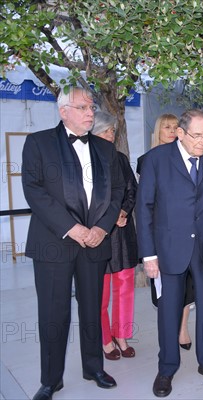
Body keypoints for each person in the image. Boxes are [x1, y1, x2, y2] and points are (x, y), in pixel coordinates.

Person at [22, 87, 124, 400]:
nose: (91, 112)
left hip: (95, 242)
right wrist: (73, 228)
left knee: (93, 309)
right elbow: (34, 191)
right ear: (63, 111)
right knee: (54, 313)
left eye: (91, 107)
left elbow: (117, 191)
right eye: (82, 107)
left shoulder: (106, 149)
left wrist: (102, 229)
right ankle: (51, 380)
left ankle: (93, 367)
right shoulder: (38, 143)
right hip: (54, 242)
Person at [137, 109, 203, 397]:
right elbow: (144, 209)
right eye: (197, 136)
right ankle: (166, 368)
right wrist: (149, 255)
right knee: (169, 309)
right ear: (180, 133)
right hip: (168, 248)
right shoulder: (156, 160)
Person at [137, 114, 195, 351]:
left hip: (188, 238)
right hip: (162, 238)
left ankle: (182, 328)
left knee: (188, 290)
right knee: (165, 293)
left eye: (176, 127)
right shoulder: (147, 160)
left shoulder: (192, 158)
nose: (172, 131)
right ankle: (168, 338)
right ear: (158, 131)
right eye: (167, 127)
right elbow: (144, 205)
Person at [92, 111, 139, 361]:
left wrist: (123, 211)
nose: (111, 135)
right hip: (98, 235)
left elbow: (133, 190)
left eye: (112, 131)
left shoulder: (121, 159)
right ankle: (105, 340)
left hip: (122, 232)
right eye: (106, 131)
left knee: (125, 289)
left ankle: (121, 335)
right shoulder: (84, 160)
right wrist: (108, 218)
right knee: (100, 293)